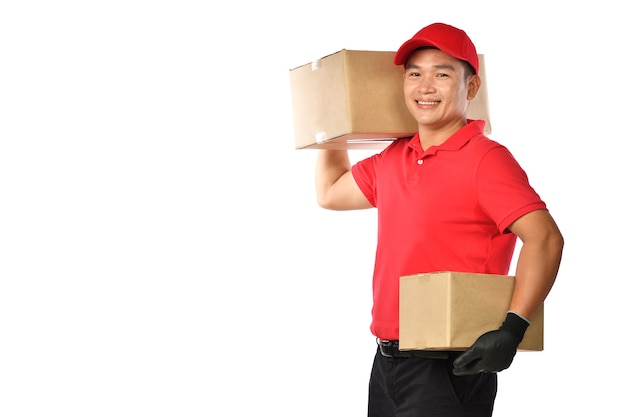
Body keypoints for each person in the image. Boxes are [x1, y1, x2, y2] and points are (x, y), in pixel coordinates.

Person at [314, 22, 564, 417]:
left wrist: (513, 329)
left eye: (442, 74)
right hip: (387, 361)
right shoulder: (393, 158)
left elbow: (545, 238)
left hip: (450, 363)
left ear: (471, 87)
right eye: (415, 73)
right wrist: (331, 126)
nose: (425, 86)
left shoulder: (486, 159)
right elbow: (329, 193)